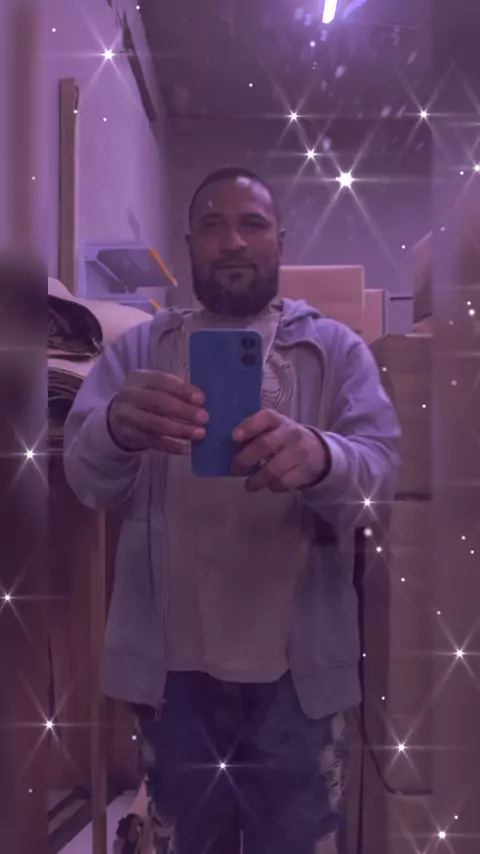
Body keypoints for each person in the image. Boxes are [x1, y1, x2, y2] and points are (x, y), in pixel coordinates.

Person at [64, 166, 401, 854]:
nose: (234, 241)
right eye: (213, 225)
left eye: (252, 224)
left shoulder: (336, 351)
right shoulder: (138, 352)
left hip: (299, 683)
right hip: (173, 673)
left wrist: (323, 457)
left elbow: (382, 481)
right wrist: (115, 430)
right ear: (190, 243)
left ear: (280, 240)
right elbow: (86, 482)